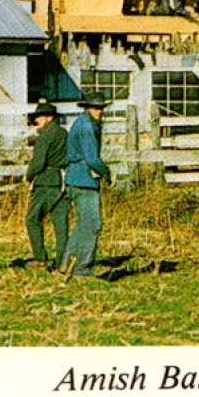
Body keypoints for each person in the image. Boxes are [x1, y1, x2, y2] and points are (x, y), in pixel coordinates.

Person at [59, 91, 111, 280]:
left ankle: (67, 263)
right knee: (93, 225)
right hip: (85, 180)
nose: (100, 111)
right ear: (88, 108)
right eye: (96, 108)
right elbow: (92, 158)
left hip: (75, 178)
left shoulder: (81, 123)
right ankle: (83, 268)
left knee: (82, 224)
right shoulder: (88, 127)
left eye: (101, 108)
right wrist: (106, 173)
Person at [23, 102, 69, 270]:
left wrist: (28, 176)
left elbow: (38, 162)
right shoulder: (65, 134)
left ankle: (40, 258)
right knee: (60, 223)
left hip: (45, 182)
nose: (36, 121)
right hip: (62, 181)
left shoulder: (45, 136)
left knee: (32, 219)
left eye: (39, 117)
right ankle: (63, 260)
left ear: (50, 118)